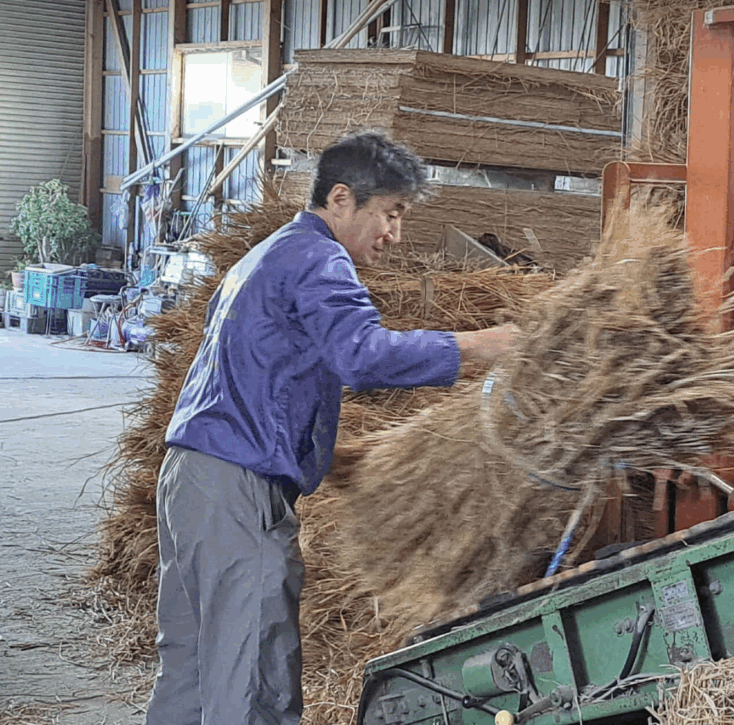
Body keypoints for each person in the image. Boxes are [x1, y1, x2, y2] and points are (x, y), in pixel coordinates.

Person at [145, 131, 515, 725]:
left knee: (191, 676)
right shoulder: (319, 258)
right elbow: (362, 355)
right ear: (341, 199)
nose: (394, 233)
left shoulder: (266, 255)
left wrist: (324, 452)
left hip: (192, 482)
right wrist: (477, 345)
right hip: (238, 494)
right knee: (251, 683)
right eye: (390, 214)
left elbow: (260, 376)